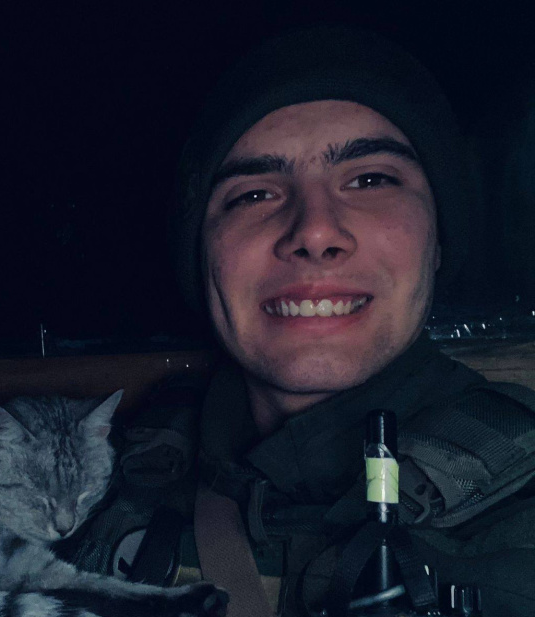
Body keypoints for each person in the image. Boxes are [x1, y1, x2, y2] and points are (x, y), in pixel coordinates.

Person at [55, 24, 535, 617]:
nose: (314, 231)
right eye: (253, 194)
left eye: (371, 179)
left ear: (438, 238)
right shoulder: (97, 494)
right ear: (202, 254)